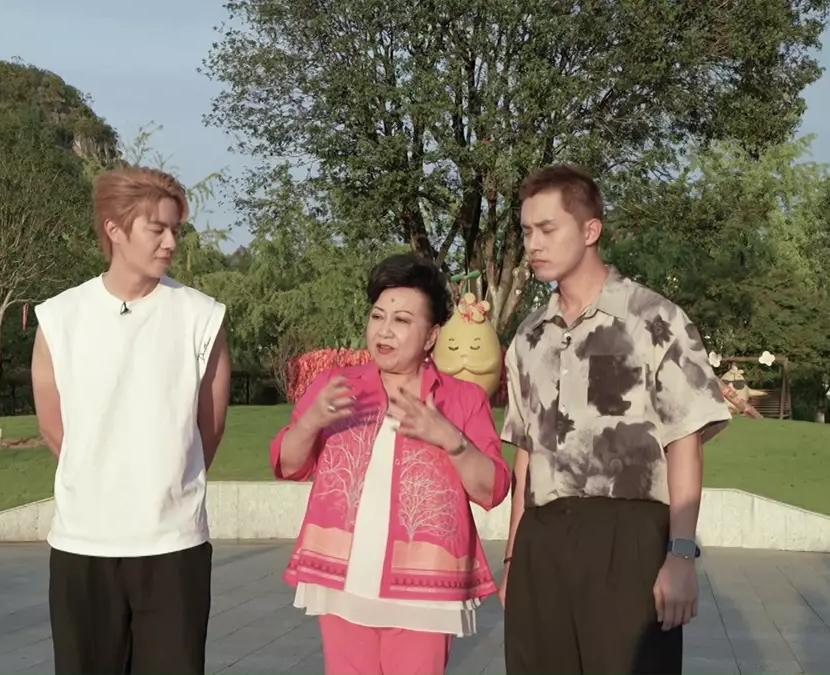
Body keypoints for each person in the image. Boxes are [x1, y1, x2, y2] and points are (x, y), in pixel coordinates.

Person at [500, 164, 732, 675]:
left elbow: (685, 441)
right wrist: (514, 558)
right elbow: (526, 455)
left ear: (590, 230)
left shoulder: (655, 320)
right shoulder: (528, 337)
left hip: (627, 539)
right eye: (527, 231)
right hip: (541, 541)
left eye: (547, 229)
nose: (533, 244)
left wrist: (681, 554)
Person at [270, 253, 511, 675]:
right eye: (378, 316)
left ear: (432, 335)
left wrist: (450, 440)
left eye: (401, 320)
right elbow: (287, 464)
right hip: (343, 581)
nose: (384, 330)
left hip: (425, 589)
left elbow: (493, 489)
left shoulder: (462, 399)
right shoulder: (336, 387)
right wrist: (310, 423)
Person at [31, 166, 231, 675]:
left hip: (174, 545)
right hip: (82, 545)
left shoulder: (202, 316)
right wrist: (100, 480)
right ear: (114, 229)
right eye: (156, 229)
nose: (170, 243)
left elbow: (208, 429)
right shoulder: (60, 317)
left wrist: (164, 486)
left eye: (175, 230)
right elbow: (55, 429)